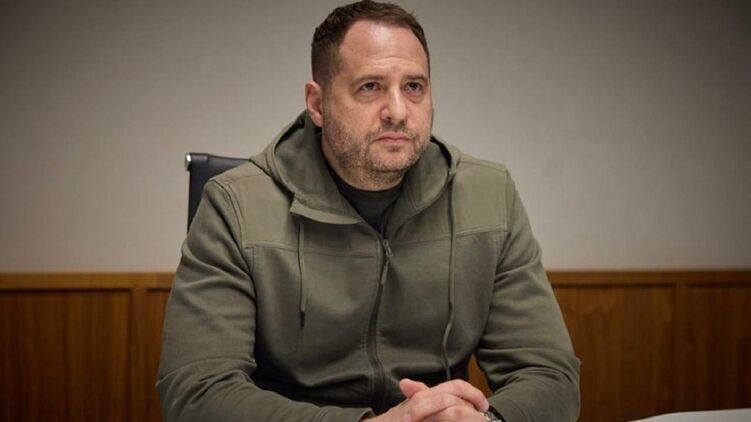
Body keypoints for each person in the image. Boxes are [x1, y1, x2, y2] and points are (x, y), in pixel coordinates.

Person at [157, 1, 580, 421]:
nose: (398, 111)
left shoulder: (489, 195)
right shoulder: (235, 205)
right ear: (317, 104)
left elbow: (550, 375)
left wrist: (488, 421)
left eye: (413, 87)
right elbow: (197, 391)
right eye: (370, 87)